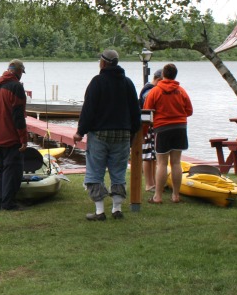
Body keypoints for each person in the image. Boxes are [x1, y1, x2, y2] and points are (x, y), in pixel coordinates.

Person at [73, 50, 141, 221]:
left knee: (95, 171)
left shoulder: (97, 82)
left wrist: (80, 132)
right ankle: (117, 209)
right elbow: (135, 112)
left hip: (100, 134)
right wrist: (132, 132)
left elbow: (88, 110)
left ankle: (99, 211)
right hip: (123, 134)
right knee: (118, 171)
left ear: (103, 63)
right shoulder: (127, 83)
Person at [143, 63, 193, 204]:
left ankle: (157, 197)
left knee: (162, 163)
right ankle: (175, 195)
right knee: (176, 162)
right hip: (180, 128)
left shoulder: (155, 91)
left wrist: (144, 133)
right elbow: (189, 111)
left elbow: (147, 114)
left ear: (163, 74)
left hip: (162, 129)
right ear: (175, 75)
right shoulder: (181, 91)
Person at [0, 59, 29, 211]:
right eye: (21, 73)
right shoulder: (16, 87)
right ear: (18, 71)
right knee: (13, 170)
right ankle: (8, 203)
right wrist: (24, 139)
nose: (21, 76)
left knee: (1, 170)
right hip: (10, 135)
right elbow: (18, 116)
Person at [139, 69, 163, 192]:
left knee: (153, 156)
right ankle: (149, 184)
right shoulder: (149, 90)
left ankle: (153, 182)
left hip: (153, 126)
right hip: (148, 126)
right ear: (158, 80)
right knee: (148, 155)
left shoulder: (151, 89)